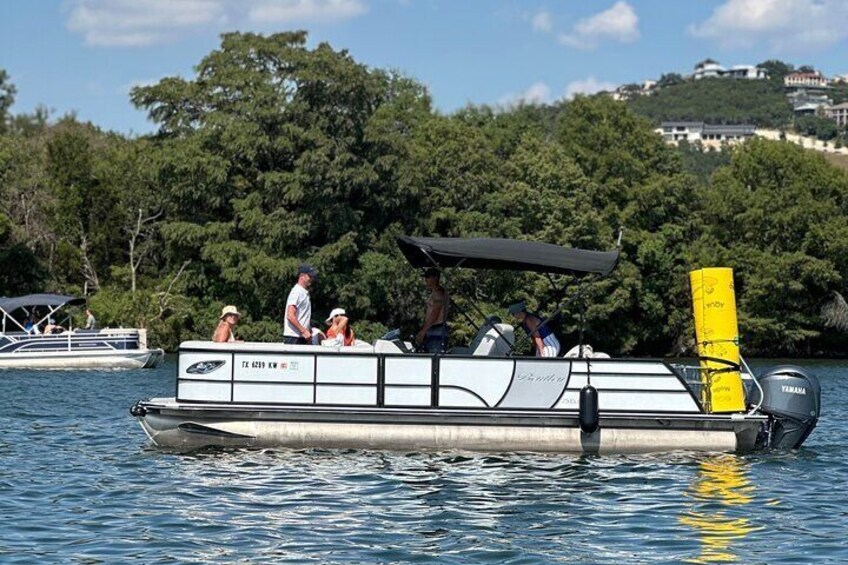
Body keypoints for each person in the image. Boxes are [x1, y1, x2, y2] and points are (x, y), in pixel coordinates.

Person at [415, 267, 449, 353]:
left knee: (434, 360)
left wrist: (423, 332)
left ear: (435, 278)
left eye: (428, 277)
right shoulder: (437, 293)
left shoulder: (438, 294)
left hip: (436, 331)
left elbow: (435, 314)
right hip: (435, 330)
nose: (425, 279)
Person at [284, 264, 317, 345]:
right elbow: (290, 316)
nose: (312, 279)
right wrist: (304, 331)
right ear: (302, 276)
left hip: (301, 337)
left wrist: (308, 329)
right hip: (294, 337)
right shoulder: (297, 292)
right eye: (310, 276)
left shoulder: (304, 292)